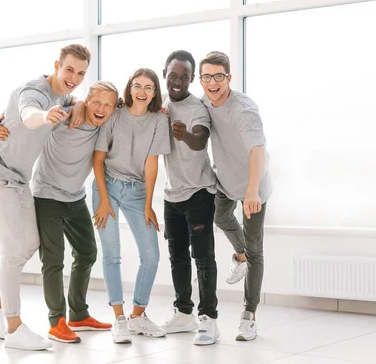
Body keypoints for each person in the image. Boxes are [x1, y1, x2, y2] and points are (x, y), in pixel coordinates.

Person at [0, 44, 90, 351]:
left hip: (19, 181)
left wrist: (75, 104)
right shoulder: (34, 91)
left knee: (30, 245)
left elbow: (72, 99)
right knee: (14, 251)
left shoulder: (63, 95)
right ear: (56, 65)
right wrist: (44, 116)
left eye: (80, 73)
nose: (74, 77)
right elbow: (28, 113)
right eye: (69, 70)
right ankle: (13, 327)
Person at [0, 81, 119, 344]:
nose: (101, 108)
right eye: (96, 102)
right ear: (86, 99)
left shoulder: (108, 122)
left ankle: (79, 314)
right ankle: (57, 321)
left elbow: (141, 104)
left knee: (87, 253)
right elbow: (27, 118)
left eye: (108, 105)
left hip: (75, 198)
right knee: (53, 260)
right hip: (47, 196)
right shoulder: (65, 115)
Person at [92, 68, 171, 344]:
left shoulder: (159, 121)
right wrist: (103, 199)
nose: (142, 91)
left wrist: (149, 204)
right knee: (112, 255)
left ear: (154, 92)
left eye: (148, 87)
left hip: (138, 190)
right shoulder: (116, 115)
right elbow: (98, 158)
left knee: (151, 256)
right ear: (130, 88)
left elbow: (152, 164)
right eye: (137, 86)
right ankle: (119, 319)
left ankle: (138, 315)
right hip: (108, 185)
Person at [198, 51, 273, 341]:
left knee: (256, 248)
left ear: (229, 78)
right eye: (207, 76)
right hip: (226, 180)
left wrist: (252, 191)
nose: (213, 82)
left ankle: (249, 315)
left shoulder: (244, 108)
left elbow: (257, 149)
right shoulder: (204, 101)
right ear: (201, 79)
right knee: (220, 216)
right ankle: (240, 255)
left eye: (219, 76)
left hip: (254, 184)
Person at [157, 50, 220, 345]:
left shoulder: (198, 109)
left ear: (192, 79)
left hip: (199, 193)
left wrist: (185, 137)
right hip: (172, 195)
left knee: (203, 258)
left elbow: (200, 140)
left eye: (184, 77)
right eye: (173, 75)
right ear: (165, 75)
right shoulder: (162, 106)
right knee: (177, 257)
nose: (178, 81)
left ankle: (208, 319)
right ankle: (184, 314)